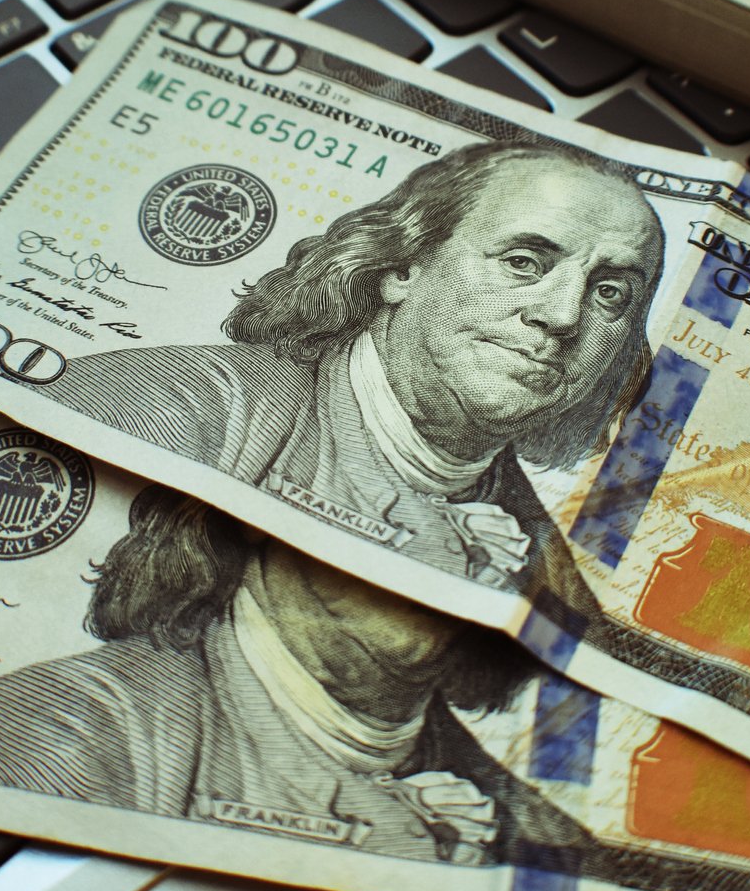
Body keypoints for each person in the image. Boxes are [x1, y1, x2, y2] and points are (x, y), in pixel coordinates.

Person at [44, 140, 666, 607]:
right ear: (403, 267)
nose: (562, 315)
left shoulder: (554, 587)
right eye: (524, 261)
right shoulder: (167, 406)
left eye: (610, 294)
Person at [0, 487, 590, 867]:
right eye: (407, 515)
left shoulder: (550, 846)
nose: (443, 556)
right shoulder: (56, 735)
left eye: (483, 541)